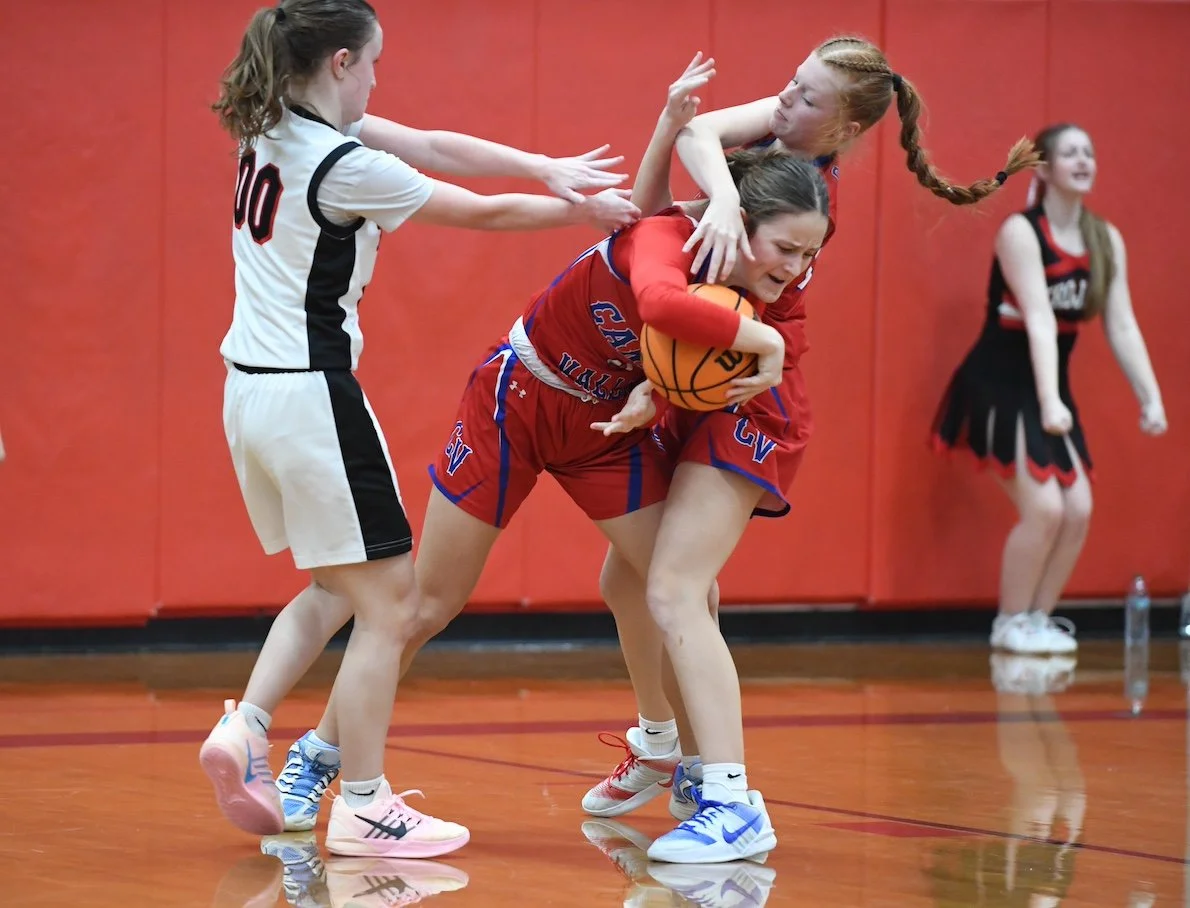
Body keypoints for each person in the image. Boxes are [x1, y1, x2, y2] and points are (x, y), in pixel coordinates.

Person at [273, 59, 836, 866]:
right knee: (425, 604)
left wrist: (663, 392)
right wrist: (766, 339)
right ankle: (317, 759)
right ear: (734, 219)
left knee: (679, 588)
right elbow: (659, 305)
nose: (793, 270)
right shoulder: (668, 237)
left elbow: (678, 356)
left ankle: (689, 766)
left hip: (602, 425)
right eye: (784, 248)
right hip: (517, 398)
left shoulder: (755, 289)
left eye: (809, 257)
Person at [198, 0, 640, 859]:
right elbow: (473, 211)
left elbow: (433, 144)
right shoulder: (342, 164)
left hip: (246, 394)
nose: (376, 78)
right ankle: (364, 803)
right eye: (372, 63)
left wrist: (546, 167)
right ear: (336, 62)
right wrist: (587, 215)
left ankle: (247, 726)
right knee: (393, 606)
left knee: (339, 590)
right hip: (310, 394)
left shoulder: (269, 123)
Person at [582, 38, 1039, 841]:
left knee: (675, 591)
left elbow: (687, 233)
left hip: (752, 394)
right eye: (789, 86)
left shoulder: (802, 197)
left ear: (845, 128)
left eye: (805, 99)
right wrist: (676, 127)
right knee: (630, 583)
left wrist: (715, 191)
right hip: (699, 383)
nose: (785, 103)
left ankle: (729, 801)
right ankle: (668, 752)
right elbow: (671, 178)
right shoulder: (777, 143)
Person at [932, 123, 1166, 654]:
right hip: (1002, 378)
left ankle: (1038, 619)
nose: (1083, 160)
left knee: (1078, 509)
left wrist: (1149, 395)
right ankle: (1009, 622)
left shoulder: (1105, 239)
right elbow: (1039, 319)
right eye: (1070, 153)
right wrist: (1050, 401)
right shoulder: (1021, 231)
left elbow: (1121, 323)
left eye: (1090, 151)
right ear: (1044, 168)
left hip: (1048, 383)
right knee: (1045, 510)